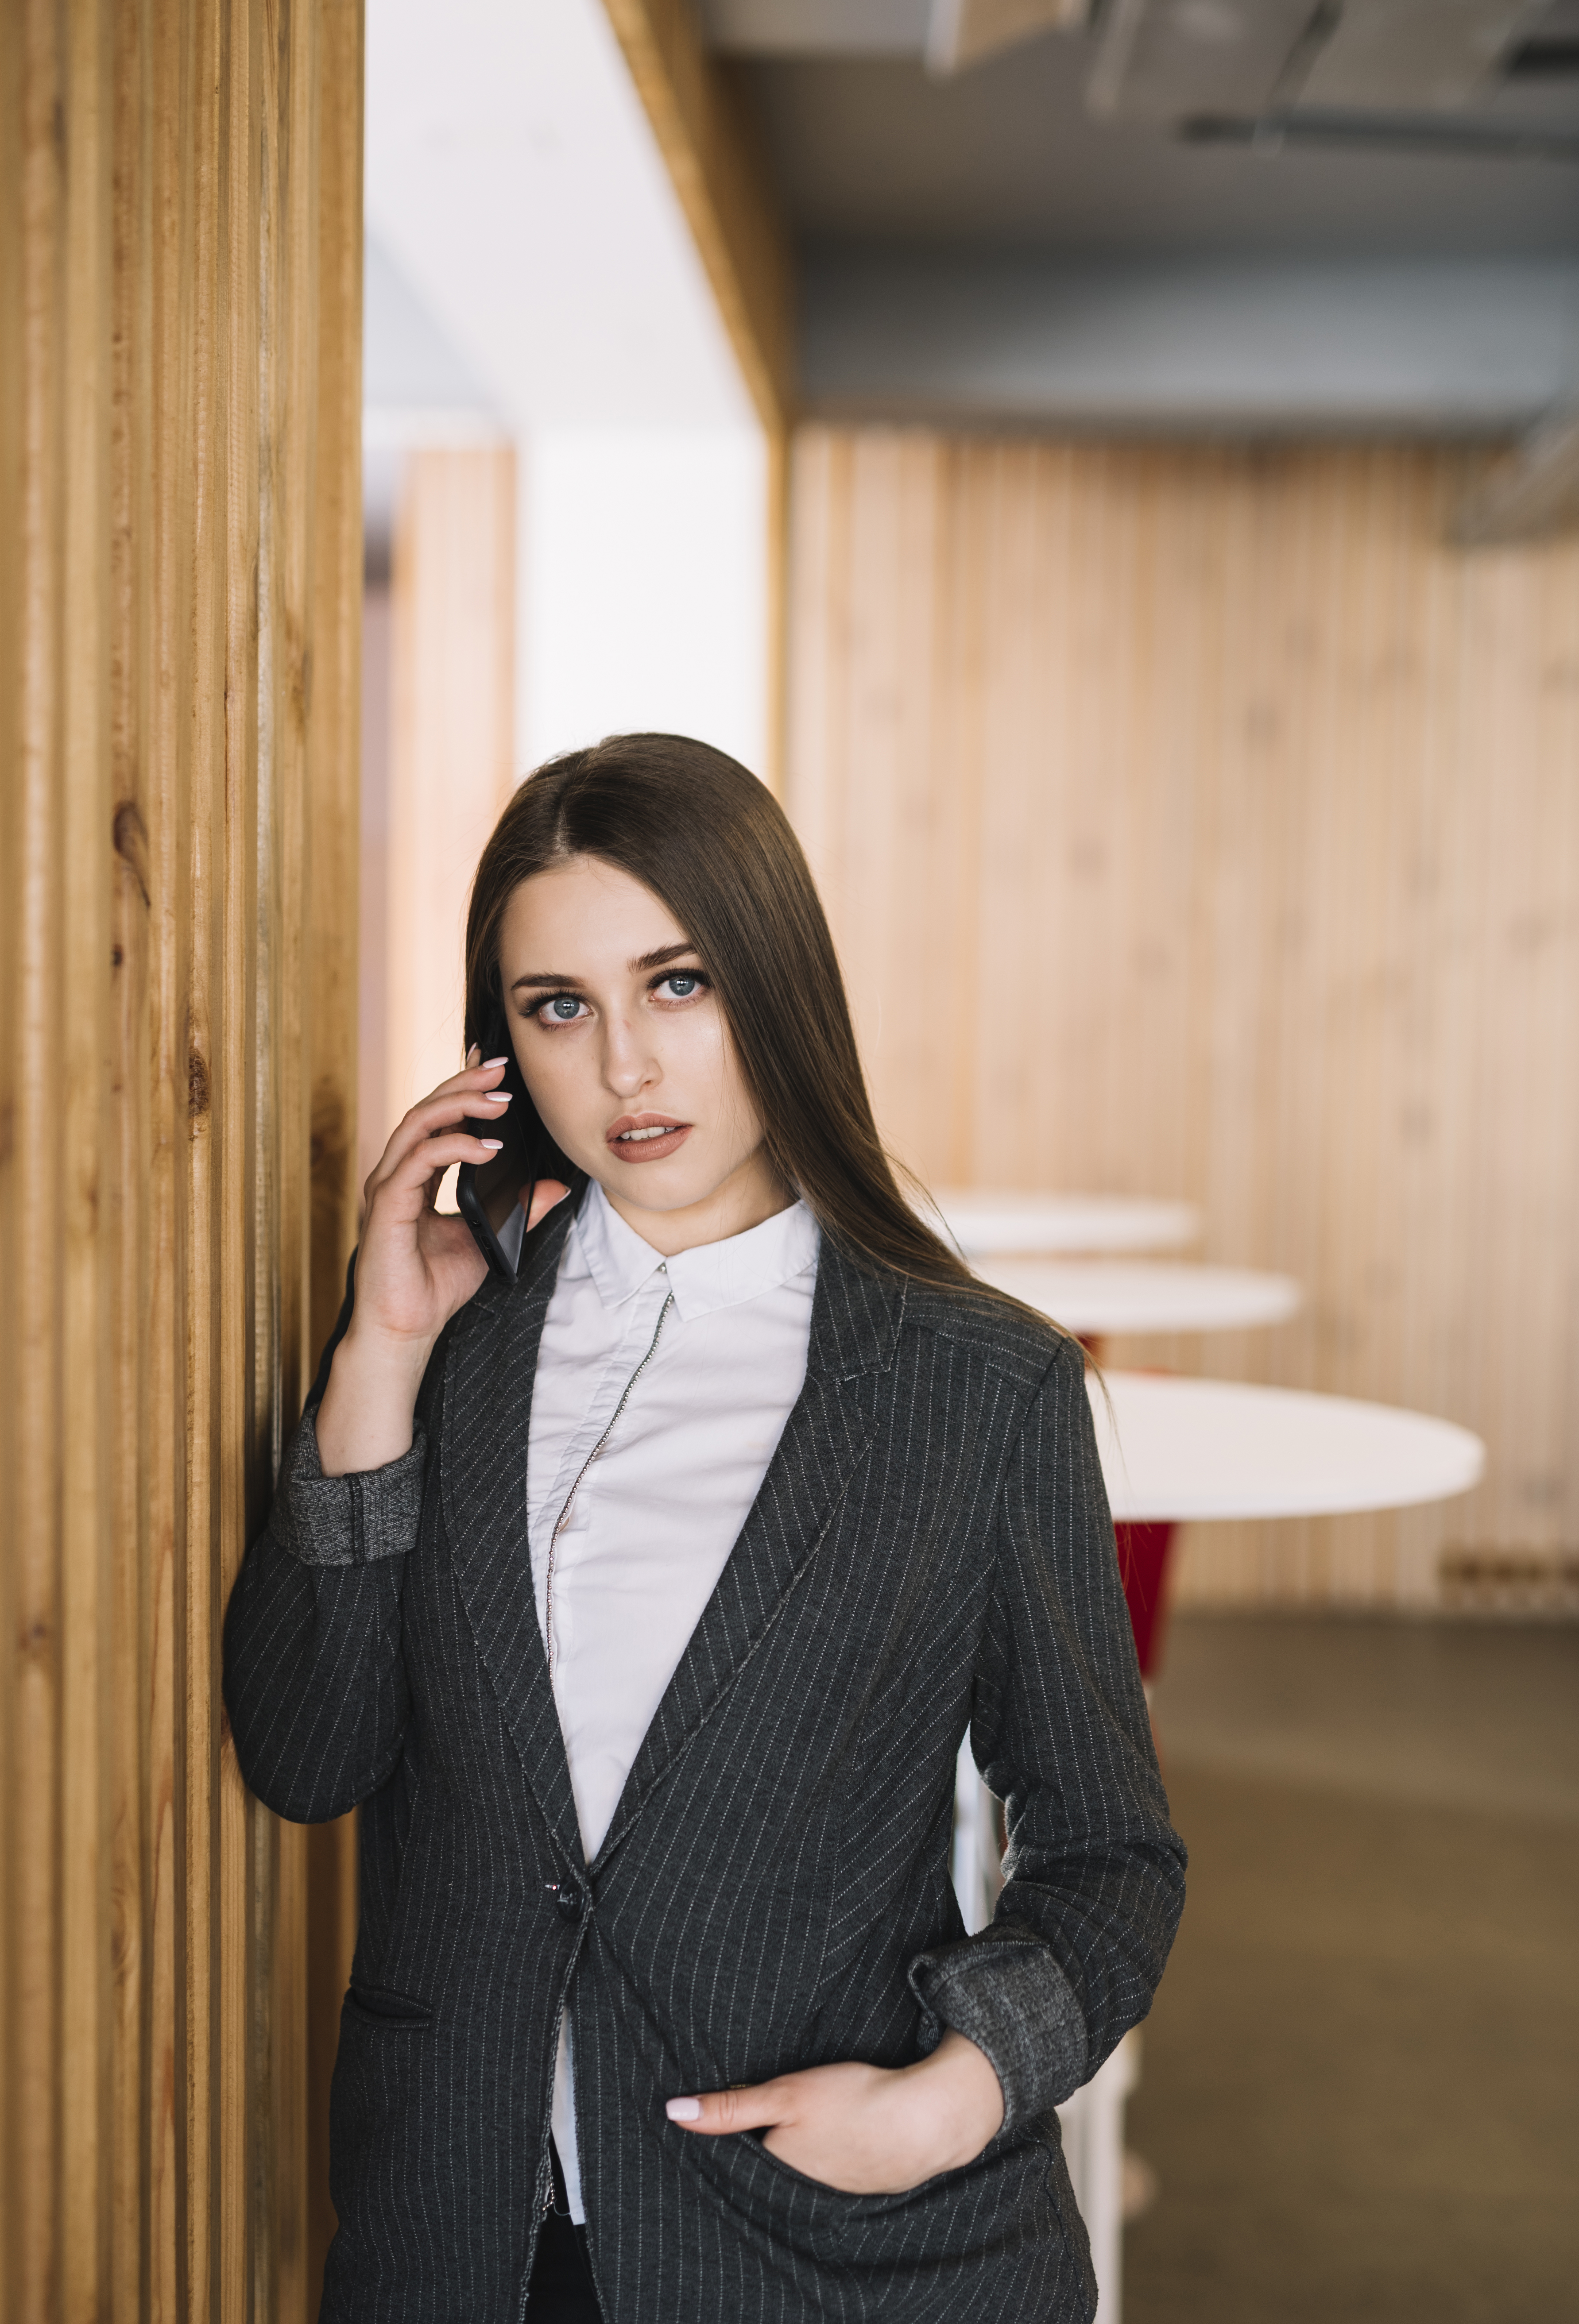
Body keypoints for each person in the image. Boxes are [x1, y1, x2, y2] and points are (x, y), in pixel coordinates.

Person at [224, 733, 1185, 2324]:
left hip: (832, 2253)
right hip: (461, 2234)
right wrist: (378, 1358)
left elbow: (1109, 1857)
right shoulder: (447, 1347)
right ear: (503, 1047)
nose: (624, 1070)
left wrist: (943, 2102)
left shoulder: (980, 1388)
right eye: (559, 1008)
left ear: (773, 984)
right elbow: (306, 1755)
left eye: (677, 985)